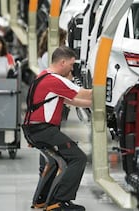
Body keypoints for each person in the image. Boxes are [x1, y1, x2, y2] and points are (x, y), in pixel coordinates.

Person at [23, 46, 92, 211]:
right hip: (43, 130)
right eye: (70, 64)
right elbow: (85, 94)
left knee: (54, 161)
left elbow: (72, 101)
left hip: (32, 130)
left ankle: (41, 200)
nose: (71, 69)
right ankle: (58, 202)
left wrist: (97, 104)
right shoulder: (55, 79)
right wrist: (105, 88)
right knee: (78, 158)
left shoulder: (43, 76)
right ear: (62, 62)